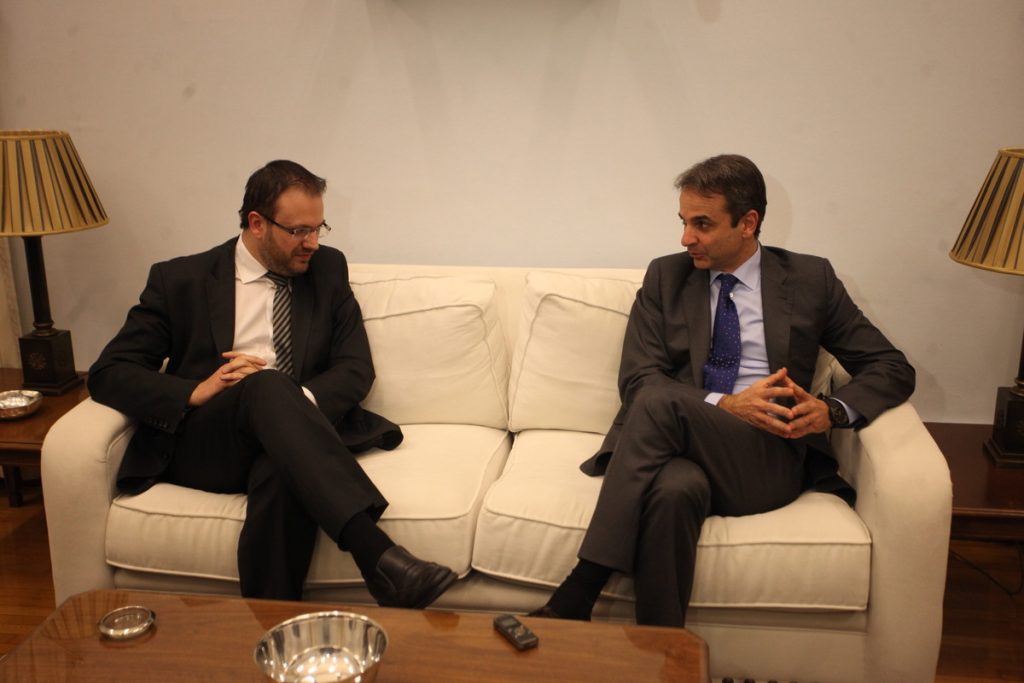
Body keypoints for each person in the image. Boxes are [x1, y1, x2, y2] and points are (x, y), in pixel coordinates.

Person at [530, 154, 915, 626]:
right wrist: (726, 404)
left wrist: (832, 411)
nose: (685, 238)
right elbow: (638, 378)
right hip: (680, 449)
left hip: (767, 455)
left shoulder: (809, 280)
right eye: (683, 222)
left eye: (702, 224)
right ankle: (661, 650)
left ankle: (580, 588)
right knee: (673, 490)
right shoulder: (666, 277)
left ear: (748, 223)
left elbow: (890, 366)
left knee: (659, 401)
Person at [88, 160, 456, 607]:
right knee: (266, 386)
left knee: (281, 461)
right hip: (209, 440)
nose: (313, 243)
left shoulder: (327, 269)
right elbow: (109, 371)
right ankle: (376, 553)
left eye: (319, 229)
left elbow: (355, 367)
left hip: (292, 439)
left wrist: (292, 405)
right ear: (257, 223)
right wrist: (194, 391)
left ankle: (275, 629)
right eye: (299, 231)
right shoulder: (180, 280)